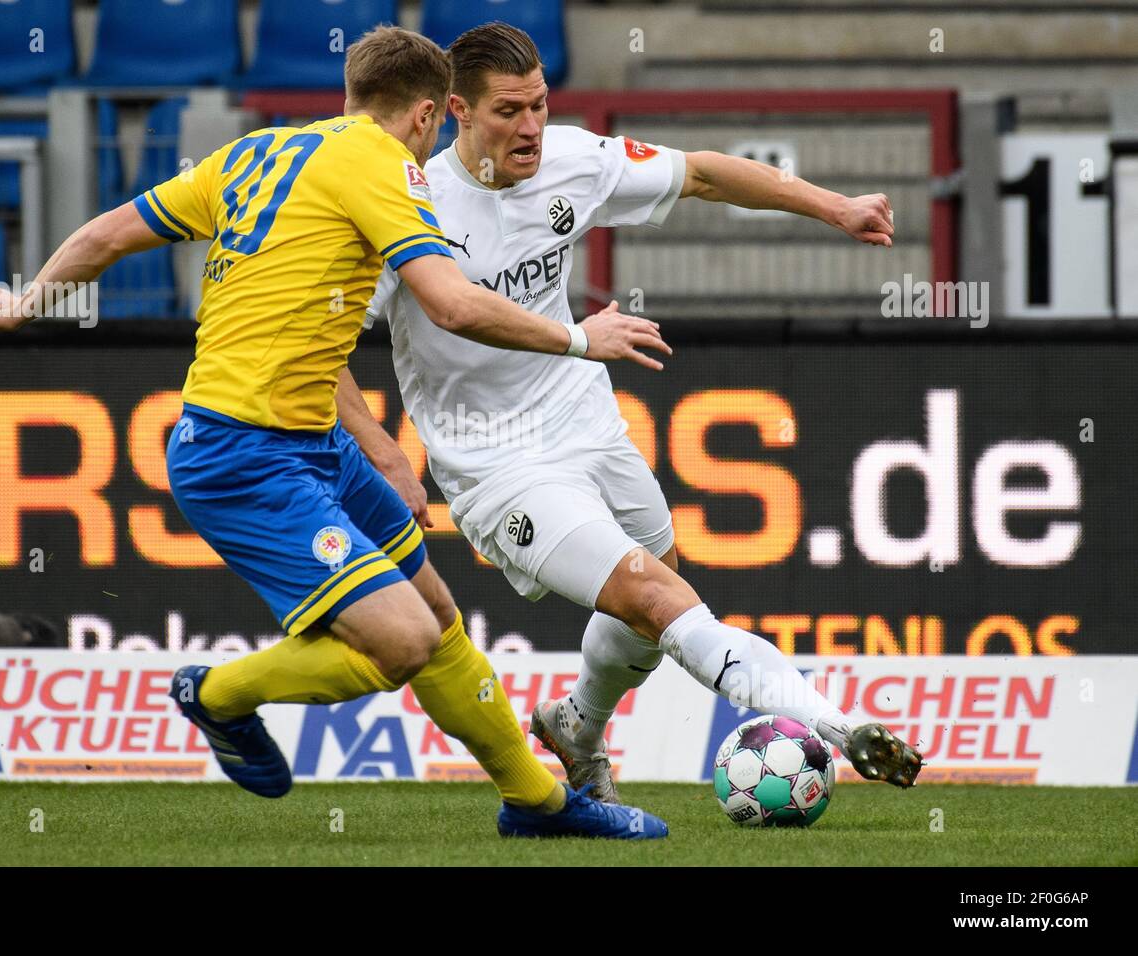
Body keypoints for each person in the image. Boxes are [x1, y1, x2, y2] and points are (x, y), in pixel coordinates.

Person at [0, 26, 672, 839]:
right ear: (428, 115)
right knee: (400, 642)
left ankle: (538, 805)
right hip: (240, 453)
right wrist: (582, 337)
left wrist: (22, 301)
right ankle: (215, 694)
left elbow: (109, 233)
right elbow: (453, 304)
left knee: (435, 615)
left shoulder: (252, 154)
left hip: (312, 438)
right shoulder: (385, 166)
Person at [353, 22, 922, 803]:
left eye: (541, 106)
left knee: (658, 595)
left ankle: (577, 727)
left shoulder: (573, 161)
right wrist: (383, 449)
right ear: (457, 110)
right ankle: (837, 726)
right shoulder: (402, 204)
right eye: (509, 111)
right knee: (655, 597)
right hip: (495, 464)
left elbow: (706, 176)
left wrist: (836, 208)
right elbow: (320, 351)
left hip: (587, 427)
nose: (530, 129)